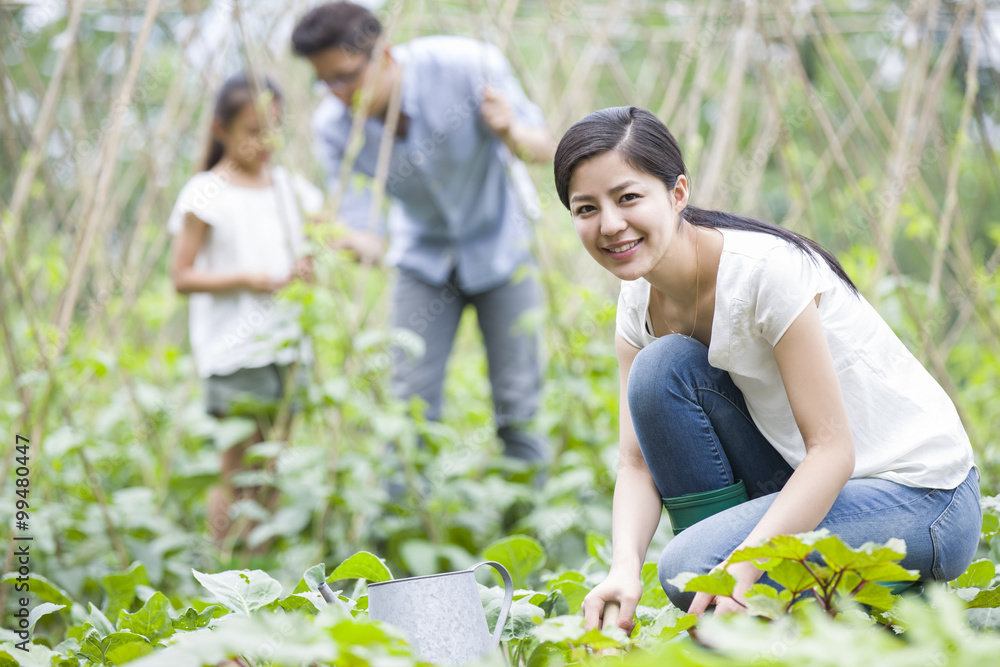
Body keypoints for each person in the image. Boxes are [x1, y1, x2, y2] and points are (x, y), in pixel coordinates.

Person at [552, 107, 980, 631]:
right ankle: (734, 615)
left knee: (693, 569)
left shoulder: (764, 273)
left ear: (678, 194)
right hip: (813, 484)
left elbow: (832, 450)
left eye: (628, 198)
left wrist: (743, 562)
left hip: (923, 497)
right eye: (585, 208)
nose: (610, 224)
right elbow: (636, 464)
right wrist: (624, 570)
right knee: (659, 371)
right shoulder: (637, 299)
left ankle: (745, 604)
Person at [291, 2, 554, 465]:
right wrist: (338, 244)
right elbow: (365, 229)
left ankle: (525, 520)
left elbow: (546, 147)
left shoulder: (469, 65)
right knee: (408, 407)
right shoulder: (334, 130)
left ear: (385, 55)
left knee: (518, 407)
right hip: (422, 260)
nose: (336, 94)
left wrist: (509, 129)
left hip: (501, 247)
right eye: (324, 81)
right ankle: (407, 523)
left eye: (345, 76)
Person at [168, 72, 323, 544]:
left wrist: (305, 267)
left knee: (272, 458)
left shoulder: (291, 189)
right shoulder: (205, 192)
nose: (264, 142)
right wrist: (247, 280)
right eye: (252, 131)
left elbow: (319, 242)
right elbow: (182, 276)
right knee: (238, 462)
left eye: (272, 129)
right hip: (235, 349)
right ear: (221, 130)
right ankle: (225, 557)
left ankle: (259, 558)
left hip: (287, 346)